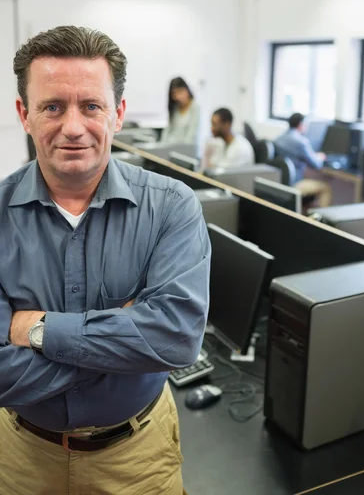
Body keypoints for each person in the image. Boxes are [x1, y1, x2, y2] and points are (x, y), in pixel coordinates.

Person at [0, 25, 211, 494]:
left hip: (137, 458)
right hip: (21, 456)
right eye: (52, 106)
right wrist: (128, 339)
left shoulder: (172, 206)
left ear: (117, 113)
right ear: (25, 114)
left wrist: (35, 330)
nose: (73, 127)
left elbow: (176, 338)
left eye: (91, 106)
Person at [274, 113, 332, 207]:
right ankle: (321, 220)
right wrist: (320, 157)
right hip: (294, 183)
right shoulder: (301, 142)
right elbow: (316, 165)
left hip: (281, 181)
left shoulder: (278, 139)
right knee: (325, 188)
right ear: (301, 124)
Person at [161, 76, 200, 146]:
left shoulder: (195, 107)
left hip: (185, 150)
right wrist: (162, 146)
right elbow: (167, 131)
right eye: (174, 93)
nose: (177, 96)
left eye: (180, 91)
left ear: (187, 90)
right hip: (170, 147)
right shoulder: (175, 107)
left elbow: (191, 136)